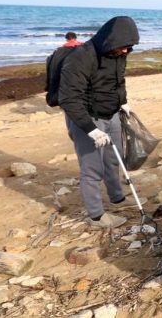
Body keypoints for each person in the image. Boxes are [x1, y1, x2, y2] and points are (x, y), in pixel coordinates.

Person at [58, 16, 139, 229]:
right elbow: (68, 98)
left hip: (112, 114)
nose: (125, 51)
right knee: (92, 169)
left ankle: (117, 198)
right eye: (123, 46)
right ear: (111, 40)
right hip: (86, 118)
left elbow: (119, 81)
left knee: (113, 159)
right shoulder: (81, 57)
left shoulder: (119, 53)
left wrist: (123, 102)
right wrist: (90, 129)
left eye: (129, 47)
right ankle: (96, 216)